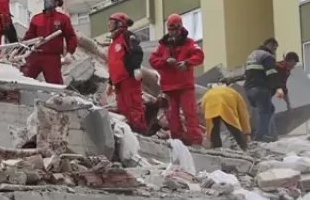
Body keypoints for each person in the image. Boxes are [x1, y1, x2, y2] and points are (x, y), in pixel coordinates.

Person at [149, 14, 205, 145]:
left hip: (185, 86)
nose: (173, 33)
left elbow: (199, 56)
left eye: (176, 30)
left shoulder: (190, 43)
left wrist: (187, 63)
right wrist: (165, 61)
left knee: (190, 114)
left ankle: (196, 141)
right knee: (172, 117)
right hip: (169, 87)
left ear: (181, 28)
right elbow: (152, 60)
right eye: (171, 30)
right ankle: (179, 141)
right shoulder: (162, 46)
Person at [20, 0, 78, 85]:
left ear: (57, 3)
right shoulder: (36, 18)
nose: (48, 1)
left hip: (52, 58)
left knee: (55, 85)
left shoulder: (63, 19)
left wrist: (69, 52)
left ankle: (58, 99)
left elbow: (71, 36)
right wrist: (20, 49)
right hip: (35, 55)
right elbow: (28, 37)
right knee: (24, 80)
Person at [106, 13, 146, 133]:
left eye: (112, 22)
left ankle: (140, 131)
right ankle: (129, 133)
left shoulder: (127, 36)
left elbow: (137, 51)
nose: (109, 25)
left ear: (119, 23)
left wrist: (136, 68)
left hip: (129, 78)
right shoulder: (113, 43)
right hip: (118, 81)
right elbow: (114, 64)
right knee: (123, 109)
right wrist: (110, 82)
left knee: (134, 106)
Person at [244, 38, 286, 142]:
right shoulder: (267, 56)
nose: (274, 51)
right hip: (260, 89)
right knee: (265, 112)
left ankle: (270, 134)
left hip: (249, 90)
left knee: (270, 109)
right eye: (274, 48)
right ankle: (260, 137)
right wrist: (278, 88)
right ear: (270, 45)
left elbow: (247, 73)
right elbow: (272, 73)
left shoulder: (252, 55)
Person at [201, 84, 251, 149]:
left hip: (211, 101)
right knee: (232, 125)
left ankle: (216, 147)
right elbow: (243, 114)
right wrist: (246, 132)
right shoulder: (235, 93)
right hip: (226, 101)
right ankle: (244, 146)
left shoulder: (209, 92)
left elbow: (203, 105)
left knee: (213, 126)